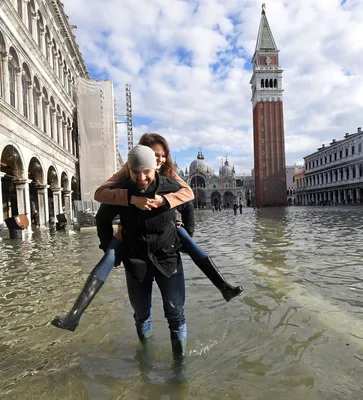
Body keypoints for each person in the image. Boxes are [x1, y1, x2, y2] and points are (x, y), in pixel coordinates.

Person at [51, 134, 242, 333]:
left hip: (167, 253)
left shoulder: (169, 178)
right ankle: (75, 315)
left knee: (176, 313)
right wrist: (130, 200)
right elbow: (101, 206)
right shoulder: (126, 178)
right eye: (152, 155)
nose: (142, 176)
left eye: (161, 156)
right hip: (135, 256)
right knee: (140, 313)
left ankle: (223, 286)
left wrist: (167, 205)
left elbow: (189, 199)